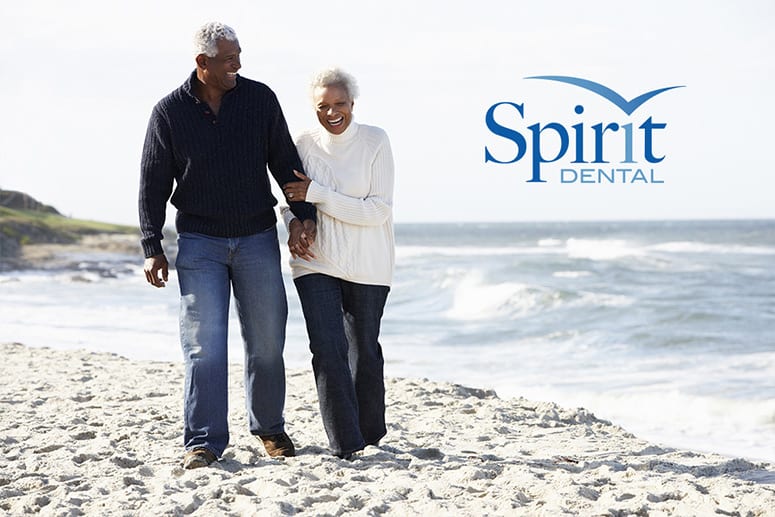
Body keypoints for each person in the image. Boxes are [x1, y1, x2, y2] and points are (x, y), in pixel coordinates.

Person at [138, 22, 317, 469]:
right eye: (228, 59)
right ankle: (203, 441)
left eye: (239, 55)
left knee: (267, 340)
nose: (238, 64)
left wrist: (303, 216)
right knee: (204, 345)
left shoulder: (260, 99)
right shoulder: (169, 112)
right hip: (199, 242)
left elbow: (284, 161)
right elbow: (153, 181)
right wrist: (151, 244)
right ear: (202, 63)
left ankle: (269, 427)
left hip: (257, 237)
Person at [281, 67, 395, 459]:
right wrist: (295, 222)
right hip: (316, 260)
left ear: (352, 104)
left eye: (339, 104)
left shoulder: (375, 141)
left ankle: (370, 434)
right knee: (327, 349)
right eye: (323, 106)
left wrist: (320, 195)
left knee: (363, 350)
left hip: (369, 262)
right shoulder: (301, 143)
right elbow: (289, 198)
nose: (332, 112)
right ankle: (346, 445)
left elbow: (377, 210)